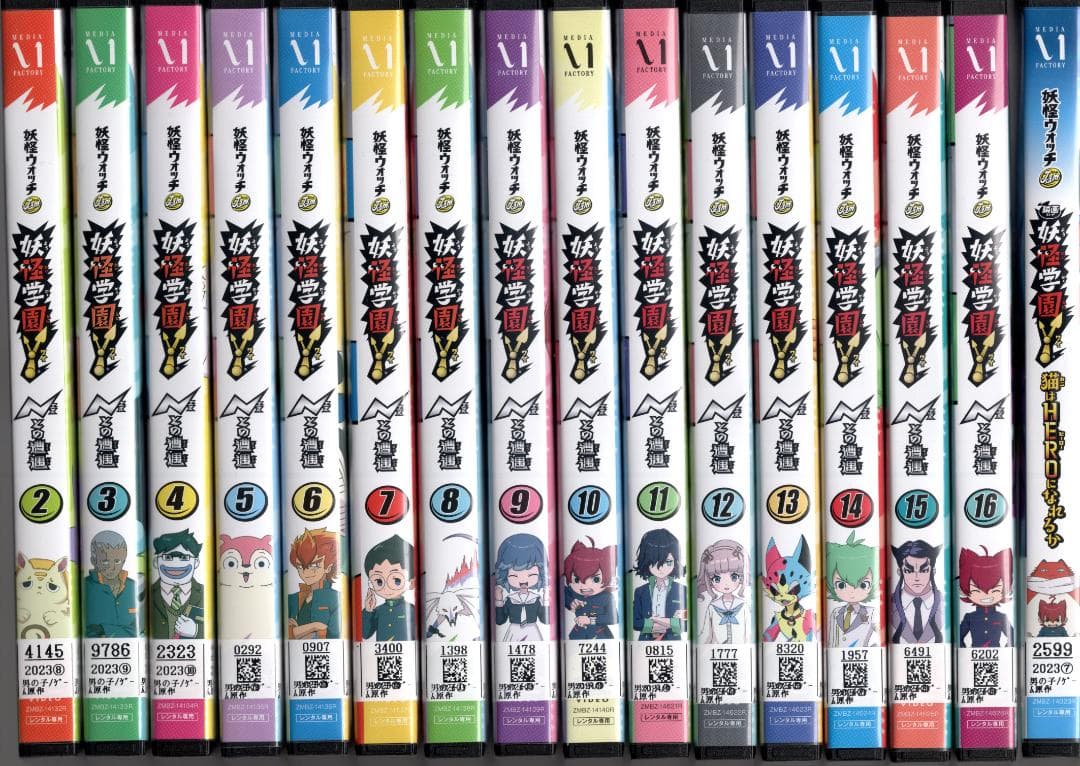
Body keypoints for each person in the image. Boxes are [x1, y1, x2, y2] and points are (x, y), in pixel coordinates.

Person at [632, 529, 687, 641]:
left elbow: (686, 624)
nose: (661, 568)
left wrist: (659, 621)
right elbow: (635, 622)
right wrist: (656, 625)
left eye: (668, 562)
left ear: (675, 562)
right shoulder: (640, 592)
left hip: (673, 643)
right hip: (645, 642)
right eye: (655, 562)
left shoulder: (681, 590)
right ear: (646, 562)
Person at [826, 532, 877, 647]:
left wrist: (875, 648)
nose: (852, 591)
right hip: (837, 656)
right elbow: (832, 639)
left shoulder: (871, 612)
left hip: (865, 656)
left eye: (863, 585)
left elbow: (880, 632)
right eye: (841, 585)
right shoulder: (835, 612)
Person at [493, 533, 548, 641]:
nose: (523, 581)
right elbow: (500, 621)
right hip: (513, 632)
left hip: (532, 632)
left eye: (531, 575)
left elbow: (545, 620)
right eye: (514, 575)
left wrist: (546, 599)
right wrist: (499, 600)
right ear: (505, 574)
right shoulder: (510, 599)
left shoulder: (536, 599)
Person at [287, 528, 340, 639]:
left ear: (328, 567)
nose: (306, 572)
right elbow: (287, 632)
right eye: (300, 566)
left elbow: (334, 635)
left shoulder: (335, 598)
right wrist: (315, 626)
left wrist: (298, 631)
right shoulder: (292, 599)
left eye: (315, 565)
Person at [150, 529, 204, 639]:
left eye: (184, 558)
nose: (175, 564)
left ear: (196, 562)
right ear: (156, 562)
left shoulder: (206, 592)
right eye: (167, 557)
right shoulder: (146, 593)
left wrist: (195, 631)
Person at [84, 531, 139, 638]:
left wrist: (104, 630)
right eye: (105, 562)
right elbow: (87, 630)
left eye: (117, 561)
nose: (112, 567)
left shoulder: (133, 586)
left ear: (124, 560)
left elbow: (139, 629)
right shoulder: (85, 586)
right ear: (94, 561)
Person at [361, 534, 415, 641]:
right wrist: (368, 610)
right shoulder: (378, 611)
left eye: (397, 580)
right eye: (379, 581)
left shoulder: (411, 610)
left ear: (412, 583)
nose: (386, 587)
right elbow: (365, 634)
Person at [957, 546, 1013, 647]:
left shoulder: (1001, 617)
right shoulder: (970, 617)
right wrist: (966, 651)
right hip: (972, 655)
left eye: (995, 590)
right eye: (976, 590)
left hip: (998, 654)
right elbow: (958, 637)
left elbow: (1013, 636)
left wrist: (1005, 651)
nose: (986, 595)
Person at [889, 539, 943, 643]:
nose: (916, 578)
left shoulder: (945, 602)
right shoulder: (888, 603)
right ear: (900, 572)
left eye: (924, 570)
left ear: (933, 571)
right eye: (909, 571)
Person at [563, 538, 618, 639]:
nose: (585, 586)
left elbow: (613, 618)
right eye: (577, 579)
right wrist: (571, 602)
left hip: (601, 636)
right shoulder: (574, 593)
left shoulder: (607, 597)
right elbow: (561, 591)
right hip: (577, 635)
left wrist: (590, 620)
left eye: (596, 579)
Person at [696, 539, 746, 644]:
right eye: (717, 579)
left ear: (741, 577)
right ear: (709, 580)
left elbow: (748, 633)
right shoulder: (713, 606)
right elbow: (706, 633)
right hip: (714, 650)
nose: (726, 584)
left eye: (734, 576)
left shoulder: (743, 605)